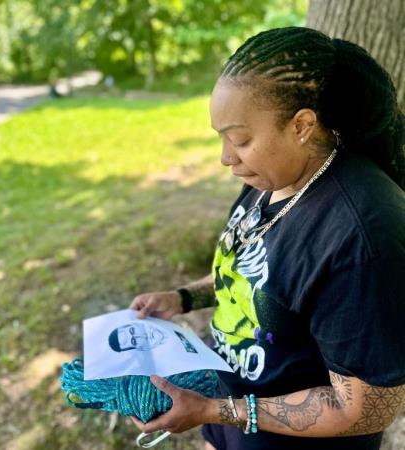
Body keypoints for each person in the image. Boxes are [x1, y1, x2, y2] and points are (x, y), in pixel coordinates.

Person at [129, 26, 405, 450]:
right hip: (231, 420)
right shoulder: (276, 174)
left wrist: (212, 410)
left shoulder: (363, 238)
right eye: (222, 138)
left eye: (239, 139)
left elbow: (366, 408)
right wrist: (183, 297)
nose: (225, 157)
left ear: (302, 125)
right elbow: (255, 271)